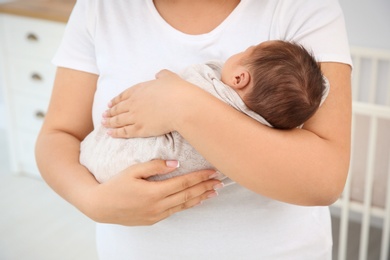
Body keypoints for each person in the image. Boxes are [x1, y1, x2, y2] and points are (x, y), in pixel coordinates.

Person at [35, 0, 352, 259]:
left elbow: (324, 181)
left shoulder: (302, 8)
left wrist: (182, 104)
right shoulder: (101, 8)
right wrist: (91, 201)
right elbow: (58, 135)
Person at [80, 40, 329, 184]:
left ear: (240, 77)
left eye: (246, 51)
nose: (238, 52)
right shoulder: (265, 129)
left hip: (115, 166)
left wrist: (174, 91)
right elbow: (323, 88)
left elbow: (173, 92)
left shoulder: (205, 89)